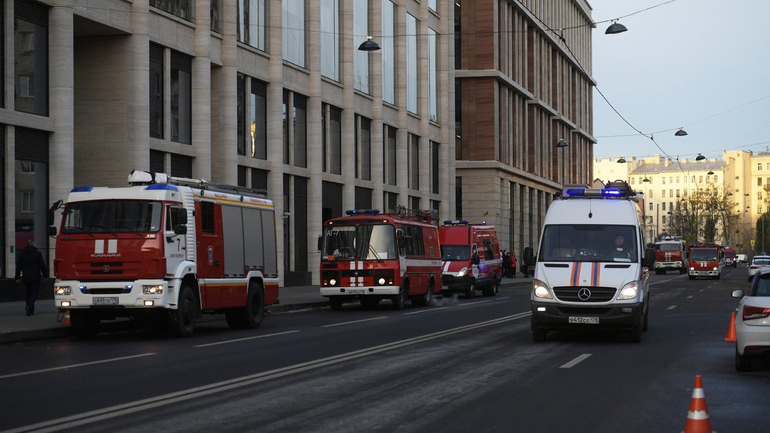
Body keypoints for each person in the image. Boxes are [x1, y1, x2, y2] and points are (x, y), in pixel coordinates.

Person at [15, 239, 49, 316]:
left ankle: (30, 310)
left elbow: (18, 266)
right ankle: (29, 306)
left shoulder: (22, 254)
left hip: (26, 277)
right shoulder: (37, 254)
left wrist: (17, 277)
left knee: (28, 293)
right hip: (35, 277)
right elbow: (42, 265)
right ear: (33, 244)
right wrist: (45, 276)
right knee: (34, 293)